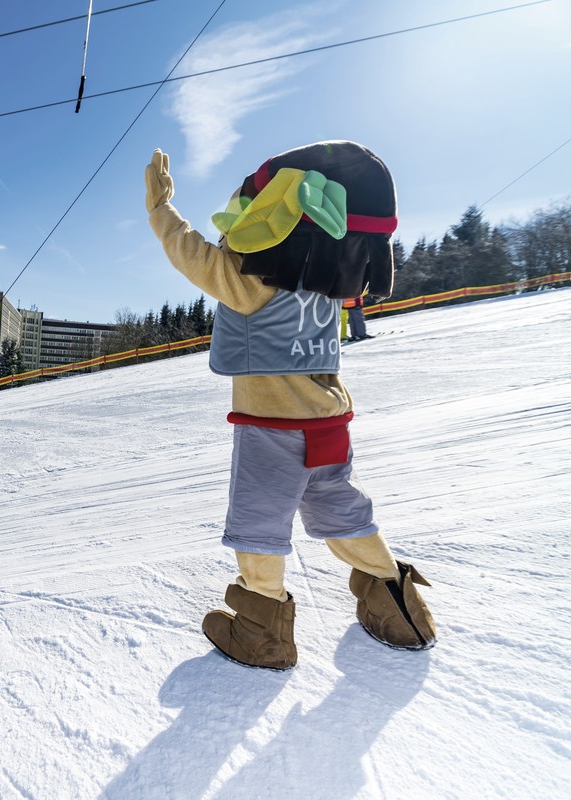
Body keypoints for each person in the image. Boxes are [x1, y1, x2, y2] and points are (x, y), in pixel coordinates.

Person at [145, 141, 435, 670]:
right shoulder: (328, 286)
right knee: (341, 511)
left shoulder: (252, 284)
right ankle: (399, 605)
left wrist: (160, 208)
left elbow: (190, 252)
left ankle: (263, 632)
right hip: (330, 420)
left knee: (260, 524)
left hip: (273, 426)